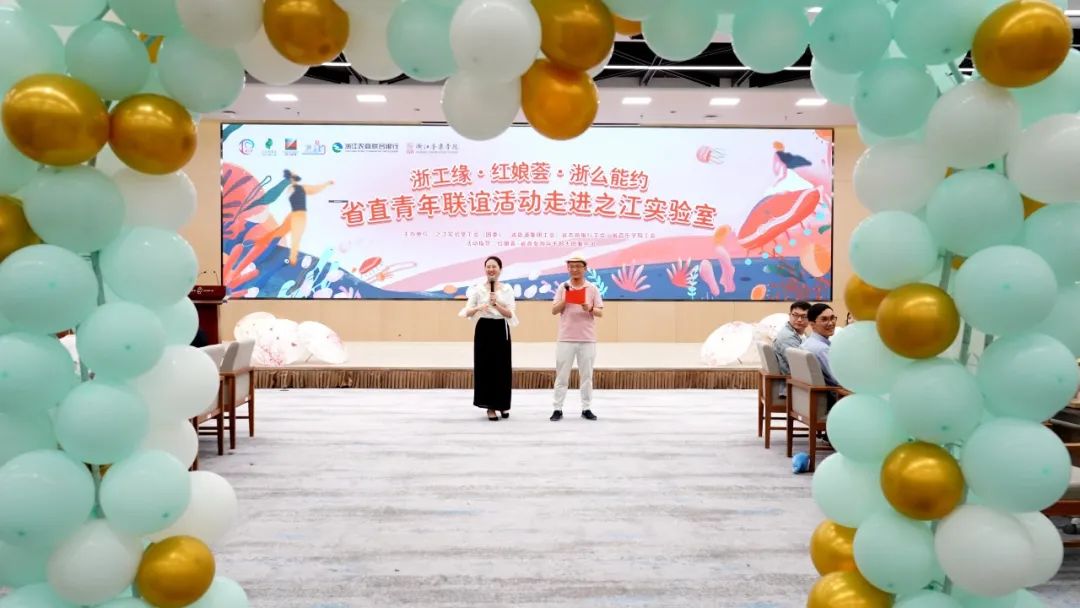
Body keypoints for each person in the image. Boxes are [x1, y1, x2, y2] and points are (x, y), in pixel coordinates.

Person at [460, 256, 517, 421]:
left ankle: (502, 404)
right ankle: (490, 407)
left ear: (500, 269)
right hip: (484, 328)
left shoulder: (507, 289)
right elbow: (467, 311)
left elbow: (510, 314)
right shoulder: (478, 289)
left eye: (494, 266)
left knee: (502, 368)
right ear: (485, 269)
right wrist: (480, 307)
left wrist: (496, 304)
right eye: (488, 267)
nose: (491, 269)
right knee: (486, 367)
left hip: (501, 328)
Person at [550, 255, 603, 421]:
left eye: (578, 266)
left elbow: (600, 312)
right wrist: (565, 299)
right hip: (566, 338)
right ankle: (557, 408)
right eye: (571, 266)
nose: (574, 269)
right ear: (568, 269)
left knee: (586, 376)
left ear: (584, 268)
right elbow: (554, 310)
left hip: (587, 338)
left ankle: (586, 408)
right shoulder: (563, 287)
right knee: (561, 376)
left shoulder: (592, 288)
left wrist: (589, 308)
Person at [251, 170, 334, 266]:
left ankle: (260, 249)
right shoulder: (298, 188)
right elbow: (315, 189)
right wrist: (326, 184)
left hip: (293, 215)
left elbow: (314, 189)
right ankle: (291, 259)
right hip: (298, 216)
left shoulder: (291, 188)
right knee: (292, 236)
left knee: (278, 234)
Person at [802, 303, 840, 389]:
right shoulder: (822, 349)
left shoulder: (806, 343)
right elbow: (839, 380)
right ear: (812, 324)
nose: (830, 323)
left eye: (832, 318)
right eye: (824, 319)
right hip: (834, 394)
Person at [772, 300, 810, 378]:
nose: (799, 320)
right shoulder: (787, 337)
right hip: (793, 382)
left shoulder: (801, 334)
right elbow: (800, 365)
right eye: (795, 315)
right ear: (789, 315)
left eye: (804, 316)